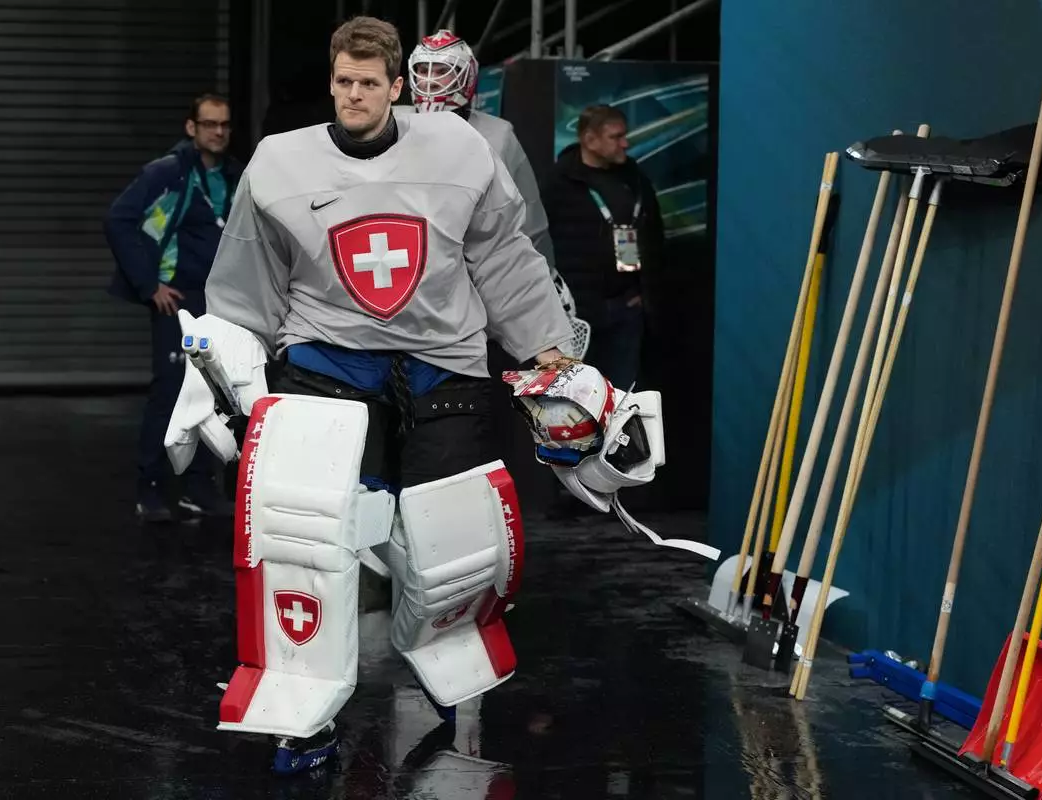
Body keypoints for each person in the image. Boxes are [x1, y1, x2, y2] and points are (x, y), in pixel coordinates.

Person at [158, 15, 665, 777]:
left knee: (450, 537)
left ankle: (448, 664)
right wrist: (223, 359)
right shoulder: (279, 162)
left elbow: (504, 256)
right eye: (343, 81)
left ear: (396, 87)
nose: (354, 95)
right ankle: (302, 705)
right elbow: (246, 278)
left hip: (441, 359)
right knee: (308, 534)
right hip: (327, 357)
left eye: (369, 83)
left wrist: (552, 353)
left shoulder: (461, 150)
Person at [405, 29, 588, 358]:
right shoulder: (394, 126)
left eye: (442, 70)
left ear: (467, 77)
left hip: (480, 283)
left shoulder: (497, 135)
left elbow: (529, 220)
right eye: (423, 70)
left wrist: (545, 278)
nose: (430, 81)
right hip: (413, 282)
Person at [104, 94, 243, 523]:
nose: (218, 132)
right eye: (209, 124)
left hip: (219, 303)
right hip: (177, 301)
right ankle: (149, 490)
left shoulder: (236, 175)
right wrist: (150, 286)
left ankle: (199, 490)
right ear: (191, 127)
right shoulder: (167, 172)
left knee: (215, 397)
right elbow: (118, 220)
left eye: (224, 124)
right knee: (170, 393)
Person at [540, 104, 667, 389]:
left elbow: (655, 237)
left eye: (625, 135)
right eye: (615, 137)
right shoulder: (558, 182)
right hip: (578, 317)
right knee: (578, 396)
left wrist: (645, 293)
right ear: (590, 139)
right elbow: (538, 243)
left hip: (627, 309)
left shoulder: (634, 178)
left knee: (624, 396)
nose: (625, 143)